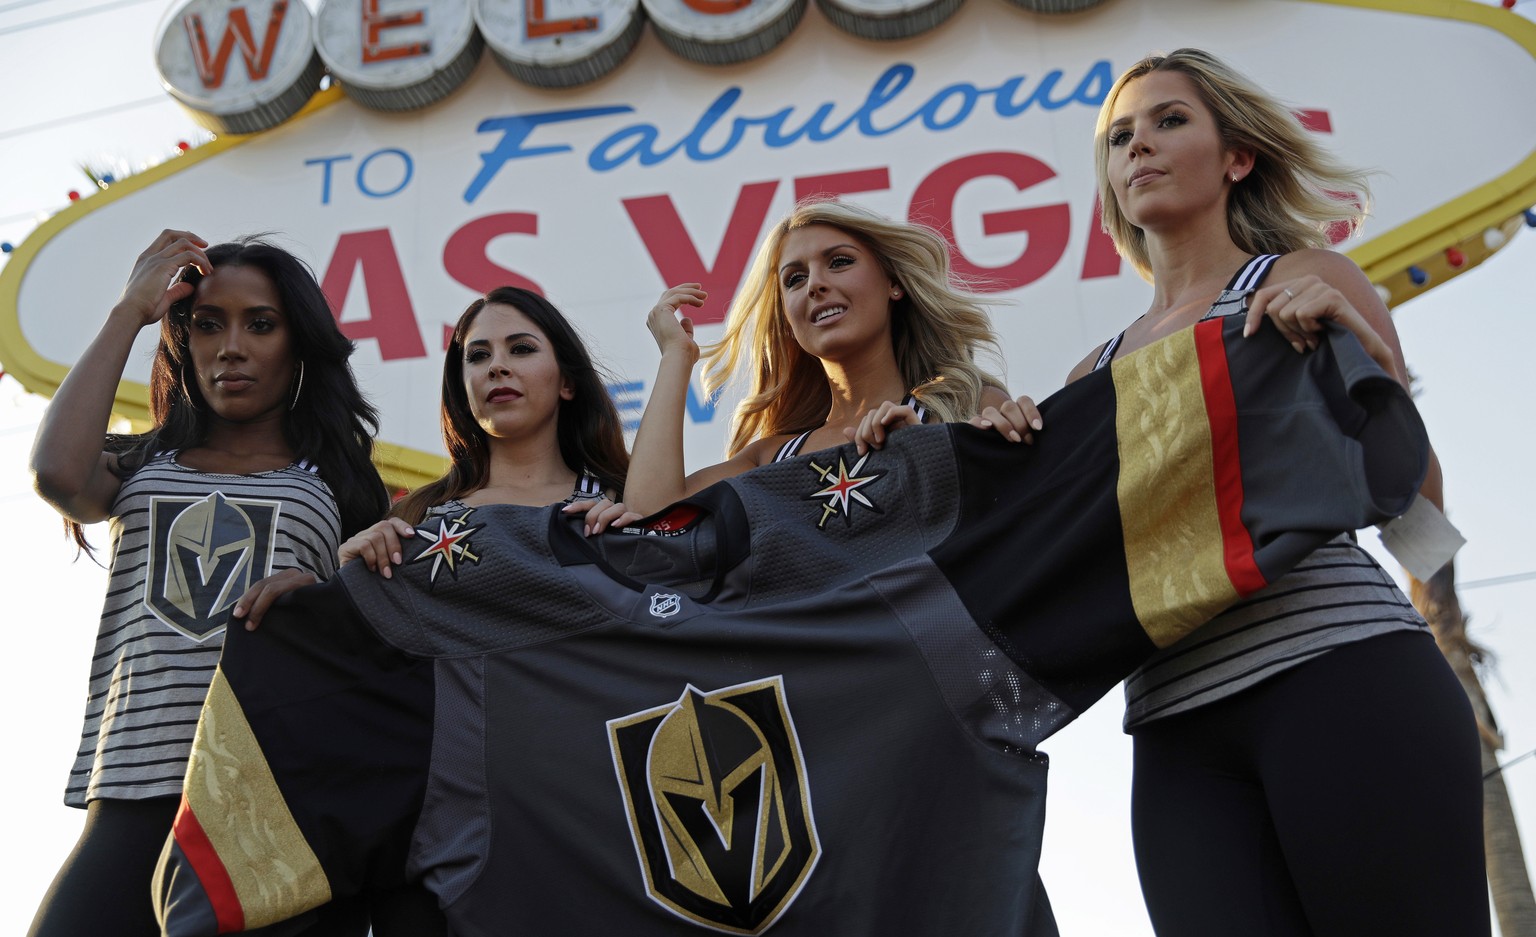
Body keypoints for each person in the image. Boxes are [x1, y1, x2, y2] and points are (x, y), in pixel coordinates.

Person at [1072, 48, 1486, 936]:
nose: (1138, 145)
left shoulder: (1301, 281)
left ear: (1237, 156)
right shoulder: (1090, 377)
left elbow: (1411, 500)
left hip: (1343, 674)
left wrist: (1368, 369)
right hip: (1174, 729)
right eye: (1120, 137)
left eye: (1169, 120)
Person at [27, 230, 390, 937]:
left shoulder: (340, 485)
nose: (232, 345)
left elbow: (377, 633)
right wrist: (130, 311)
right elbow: (58, 475)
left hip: (270, 797)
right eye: (207, 323)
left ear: (298, 341)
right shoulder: (137, 465)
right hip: (133, 786)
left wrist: (320, 599)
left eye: (261, 323)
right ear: (181, 341)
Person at [623, 198, 1039, 515]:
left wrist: (928, 452)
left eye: (839, 262)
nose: (815, 286)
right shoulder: (769, 457)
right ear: (787, 319)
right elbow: (650, 514)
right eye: (795, 279)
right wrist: (676, 357)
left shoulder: (967, 402)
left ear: (894, 284)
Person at [331, 286, 632, 582]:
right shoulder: (415, 518)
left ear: (567, 382)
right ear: (462, 392)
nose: (496, 366)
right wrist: (353, 577)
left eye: (521, 349)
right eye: (478, 355)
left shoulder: (622, 502)